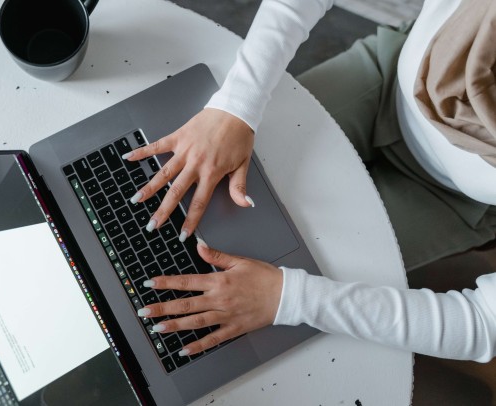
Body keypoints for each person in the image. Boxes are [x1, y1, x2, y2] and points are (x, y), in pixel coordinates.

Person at [123, 0, 496, 362]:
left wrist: (289, 298)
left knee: (262, 273)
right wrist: (236, 106)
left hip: (451, 200)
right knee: (212, 199)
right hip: (387, 82)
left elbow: (482, 324)